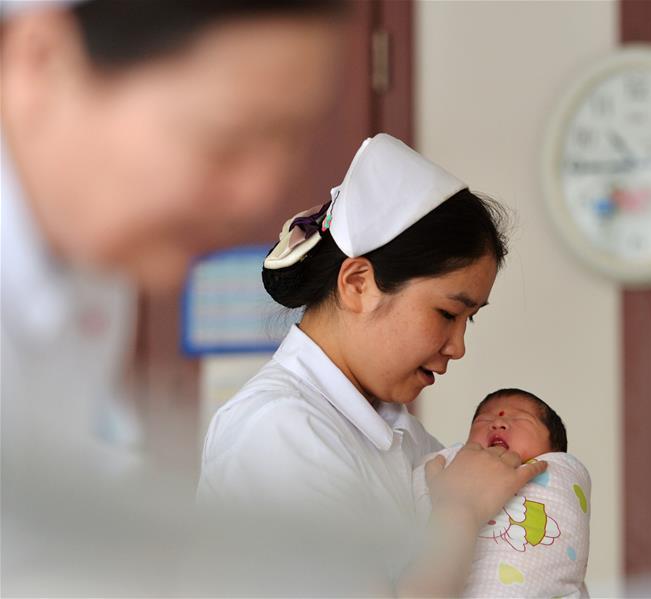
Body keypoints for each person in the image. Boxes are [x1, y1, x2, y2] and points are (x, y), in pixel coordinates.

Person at [1, 1, 346, 594]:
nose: (259, 196)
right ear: (43, 61)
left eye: (289, 142)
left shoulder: (90, 267)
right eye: (227, 141)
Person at [198, 133, 548, 596]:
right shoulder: (278, 434)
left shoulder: (403, 438)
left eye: (470, 320)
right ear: (359, 283)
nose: (458, 346)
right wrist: (460, 512)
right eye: (447, 313)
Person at [412, 388, 592, 597]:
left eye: (520, 419)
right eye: (482, 420)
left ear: (552, 448)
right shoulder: (445, 465)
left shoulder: (560, 476)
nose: (497, 424)